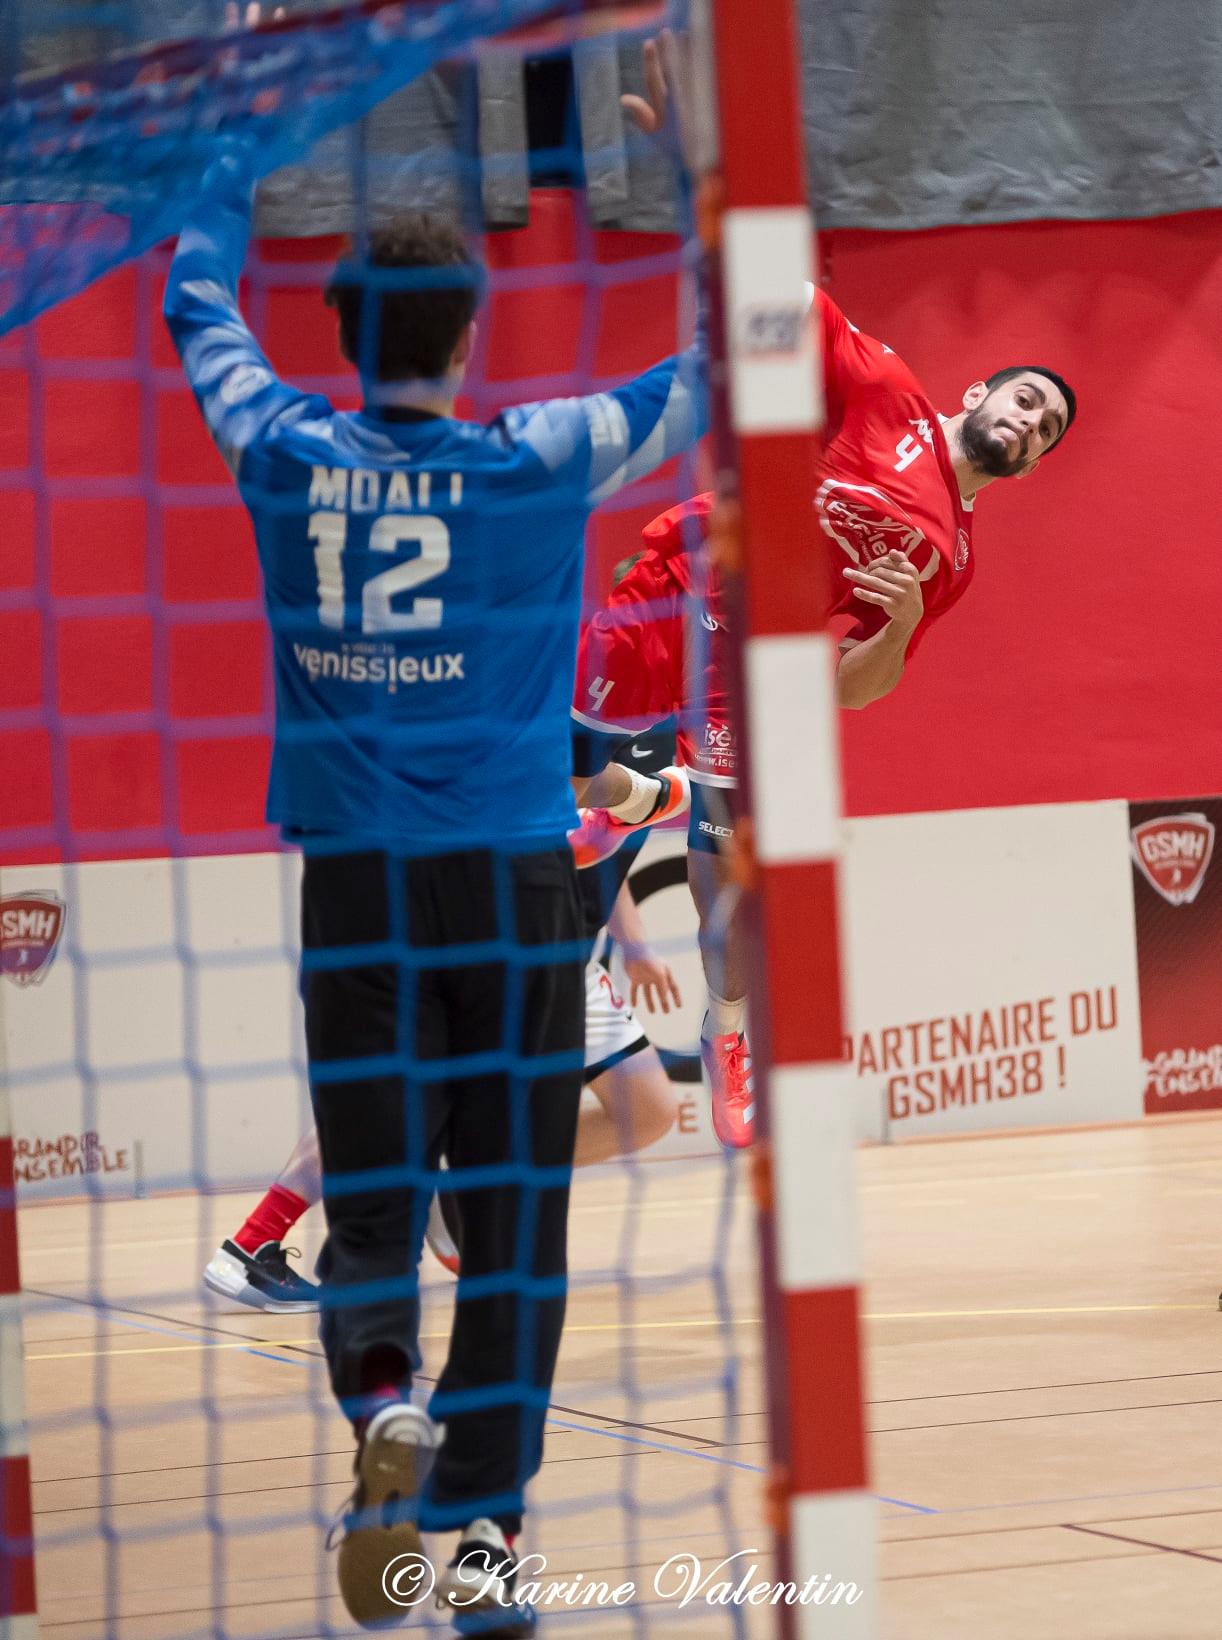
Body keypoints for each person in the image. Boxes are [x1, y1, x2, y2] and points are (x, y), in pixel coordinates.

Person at [164, 73, 703, 1634]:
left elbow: (198, 303)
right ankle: (483, 1544)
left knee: (382, 1194)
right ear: (467, 340)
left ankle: (382, 1400)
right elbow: (718, 367)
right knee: (517, 1218)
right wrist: (691, 163)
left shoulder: (278, 448)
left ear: (343, 338)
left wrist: (234, 129)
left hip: (358, 887)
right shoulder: (539, 456)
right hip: (522, 890)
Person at [571, 285, 1078, 1149]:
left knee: (725, 870)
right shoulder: (889, 392)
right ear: (978, 397)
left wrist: (908, 620)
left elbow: (854, 687)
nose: (1029, 424)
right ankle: (651, 795)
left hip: (750, 660)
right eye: (1026, 401)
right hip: (682, 577)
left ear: (1029, 466)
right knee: (564, 762)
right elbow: (798, 296)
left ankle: (725, 1029)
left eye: (1046, 431)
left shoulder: (948, 559)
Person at [202, 869, 680, 1308]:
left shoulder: (658, 776)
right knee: (388, 1102)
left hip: (571, 962)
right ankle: (252, 1244)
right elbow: (574, 817)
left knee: (648, 1111)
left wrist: (635, 945)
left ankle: (466, 1171)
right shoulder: (556, 778)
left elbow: (607, 849)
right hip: (494, 948)